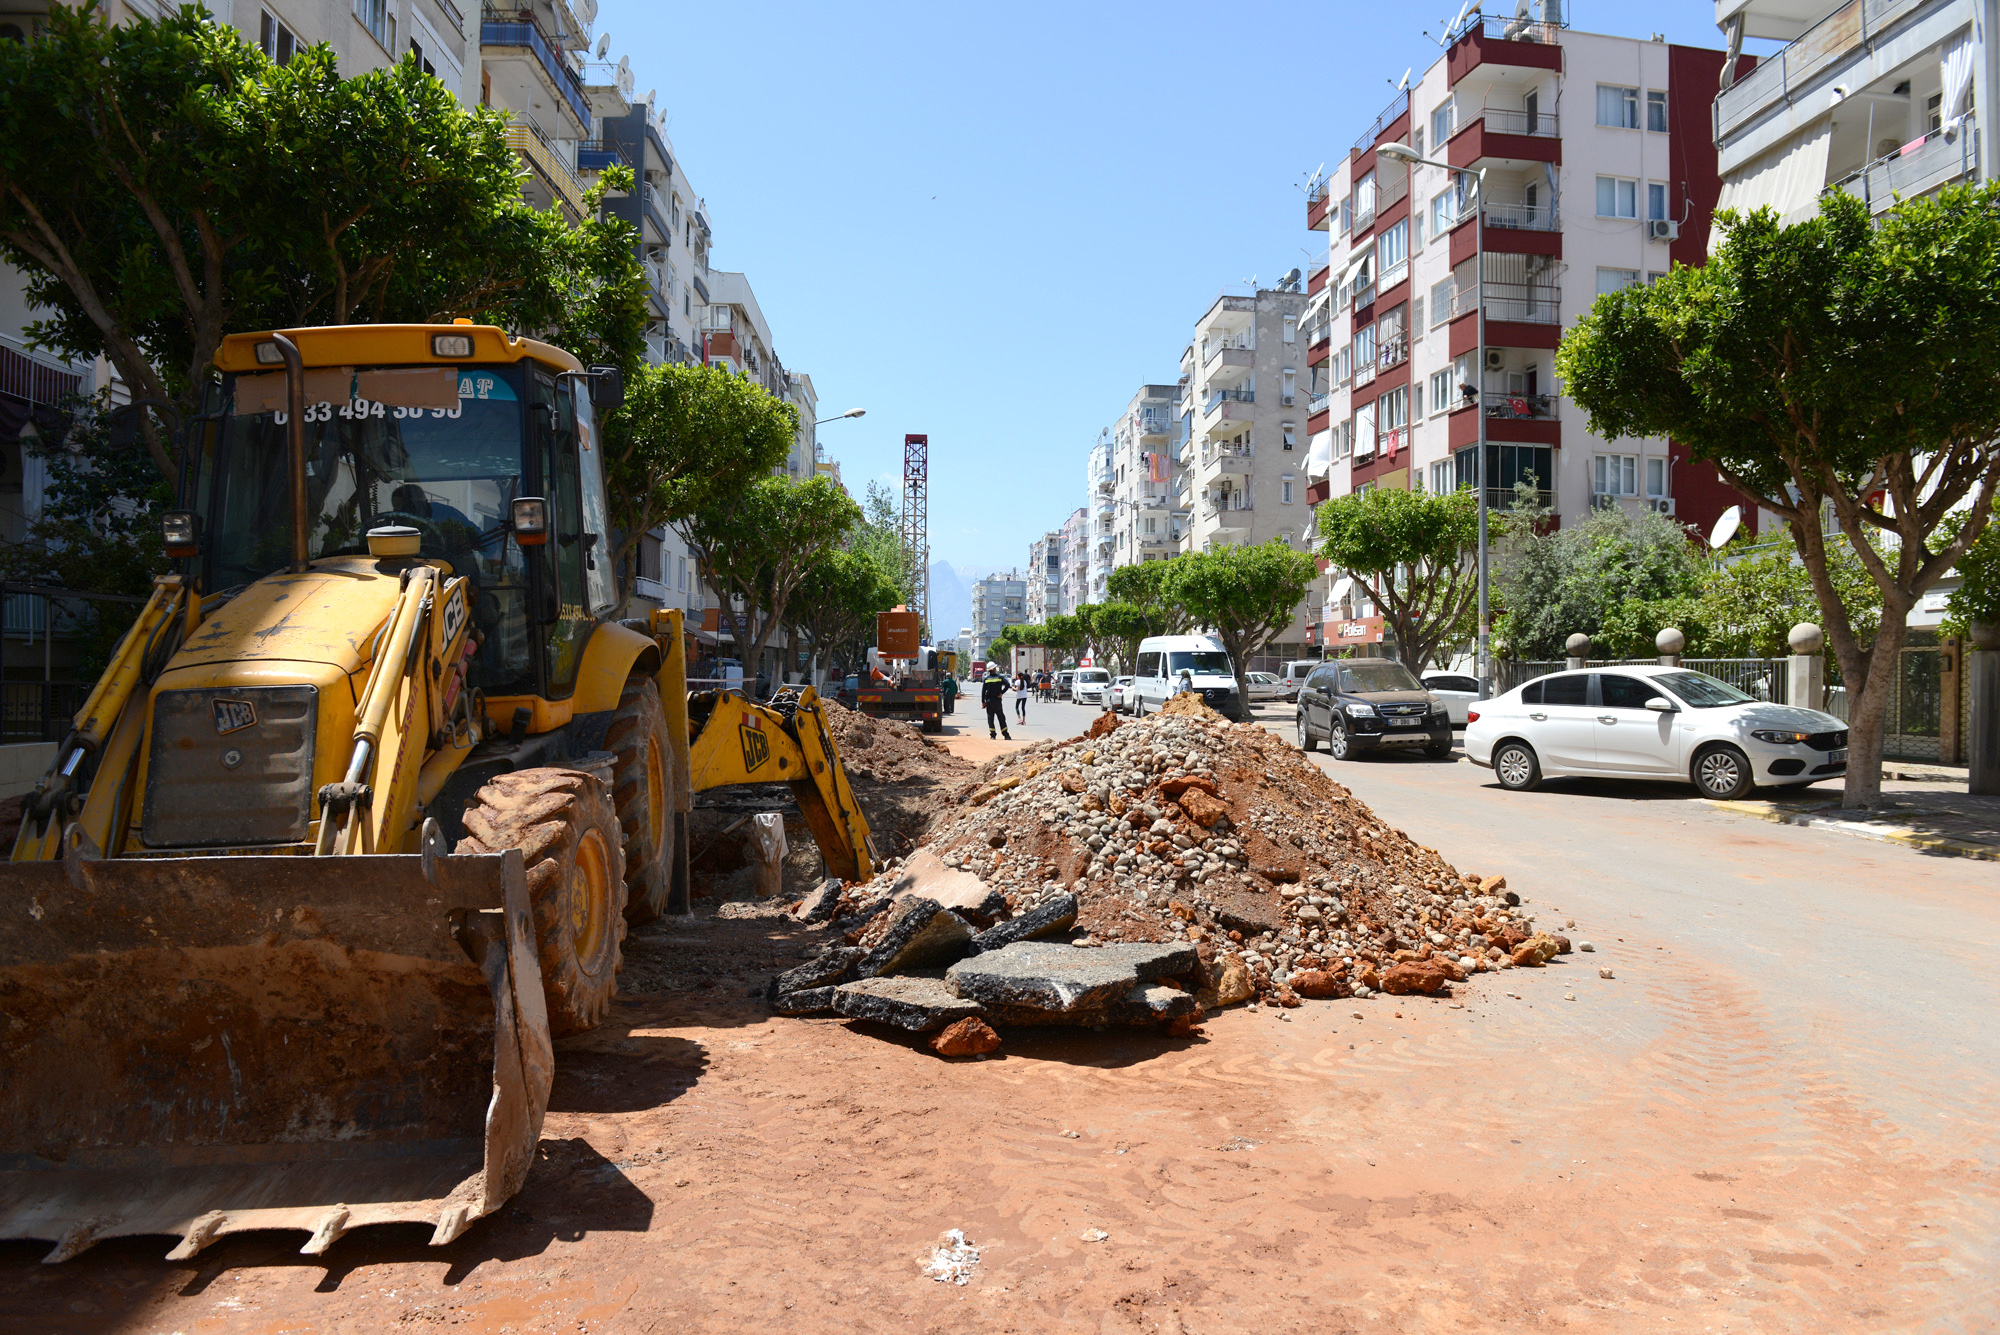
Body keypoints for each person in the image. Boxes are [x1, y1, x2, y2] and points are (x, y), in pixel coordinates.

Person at [981, 662, 1011, 740]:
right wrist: (1002, 693)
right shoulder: (1000, 677)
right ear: (994, 669)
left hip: (989, 701)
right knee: (1001, 717)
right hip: (997, 701)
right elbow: (1008, 684)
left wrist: (983, 702)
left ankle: (993, 735)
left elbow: (983, 691)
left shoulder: (986, 679)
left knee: (990, 718)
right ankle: (1006, 735)